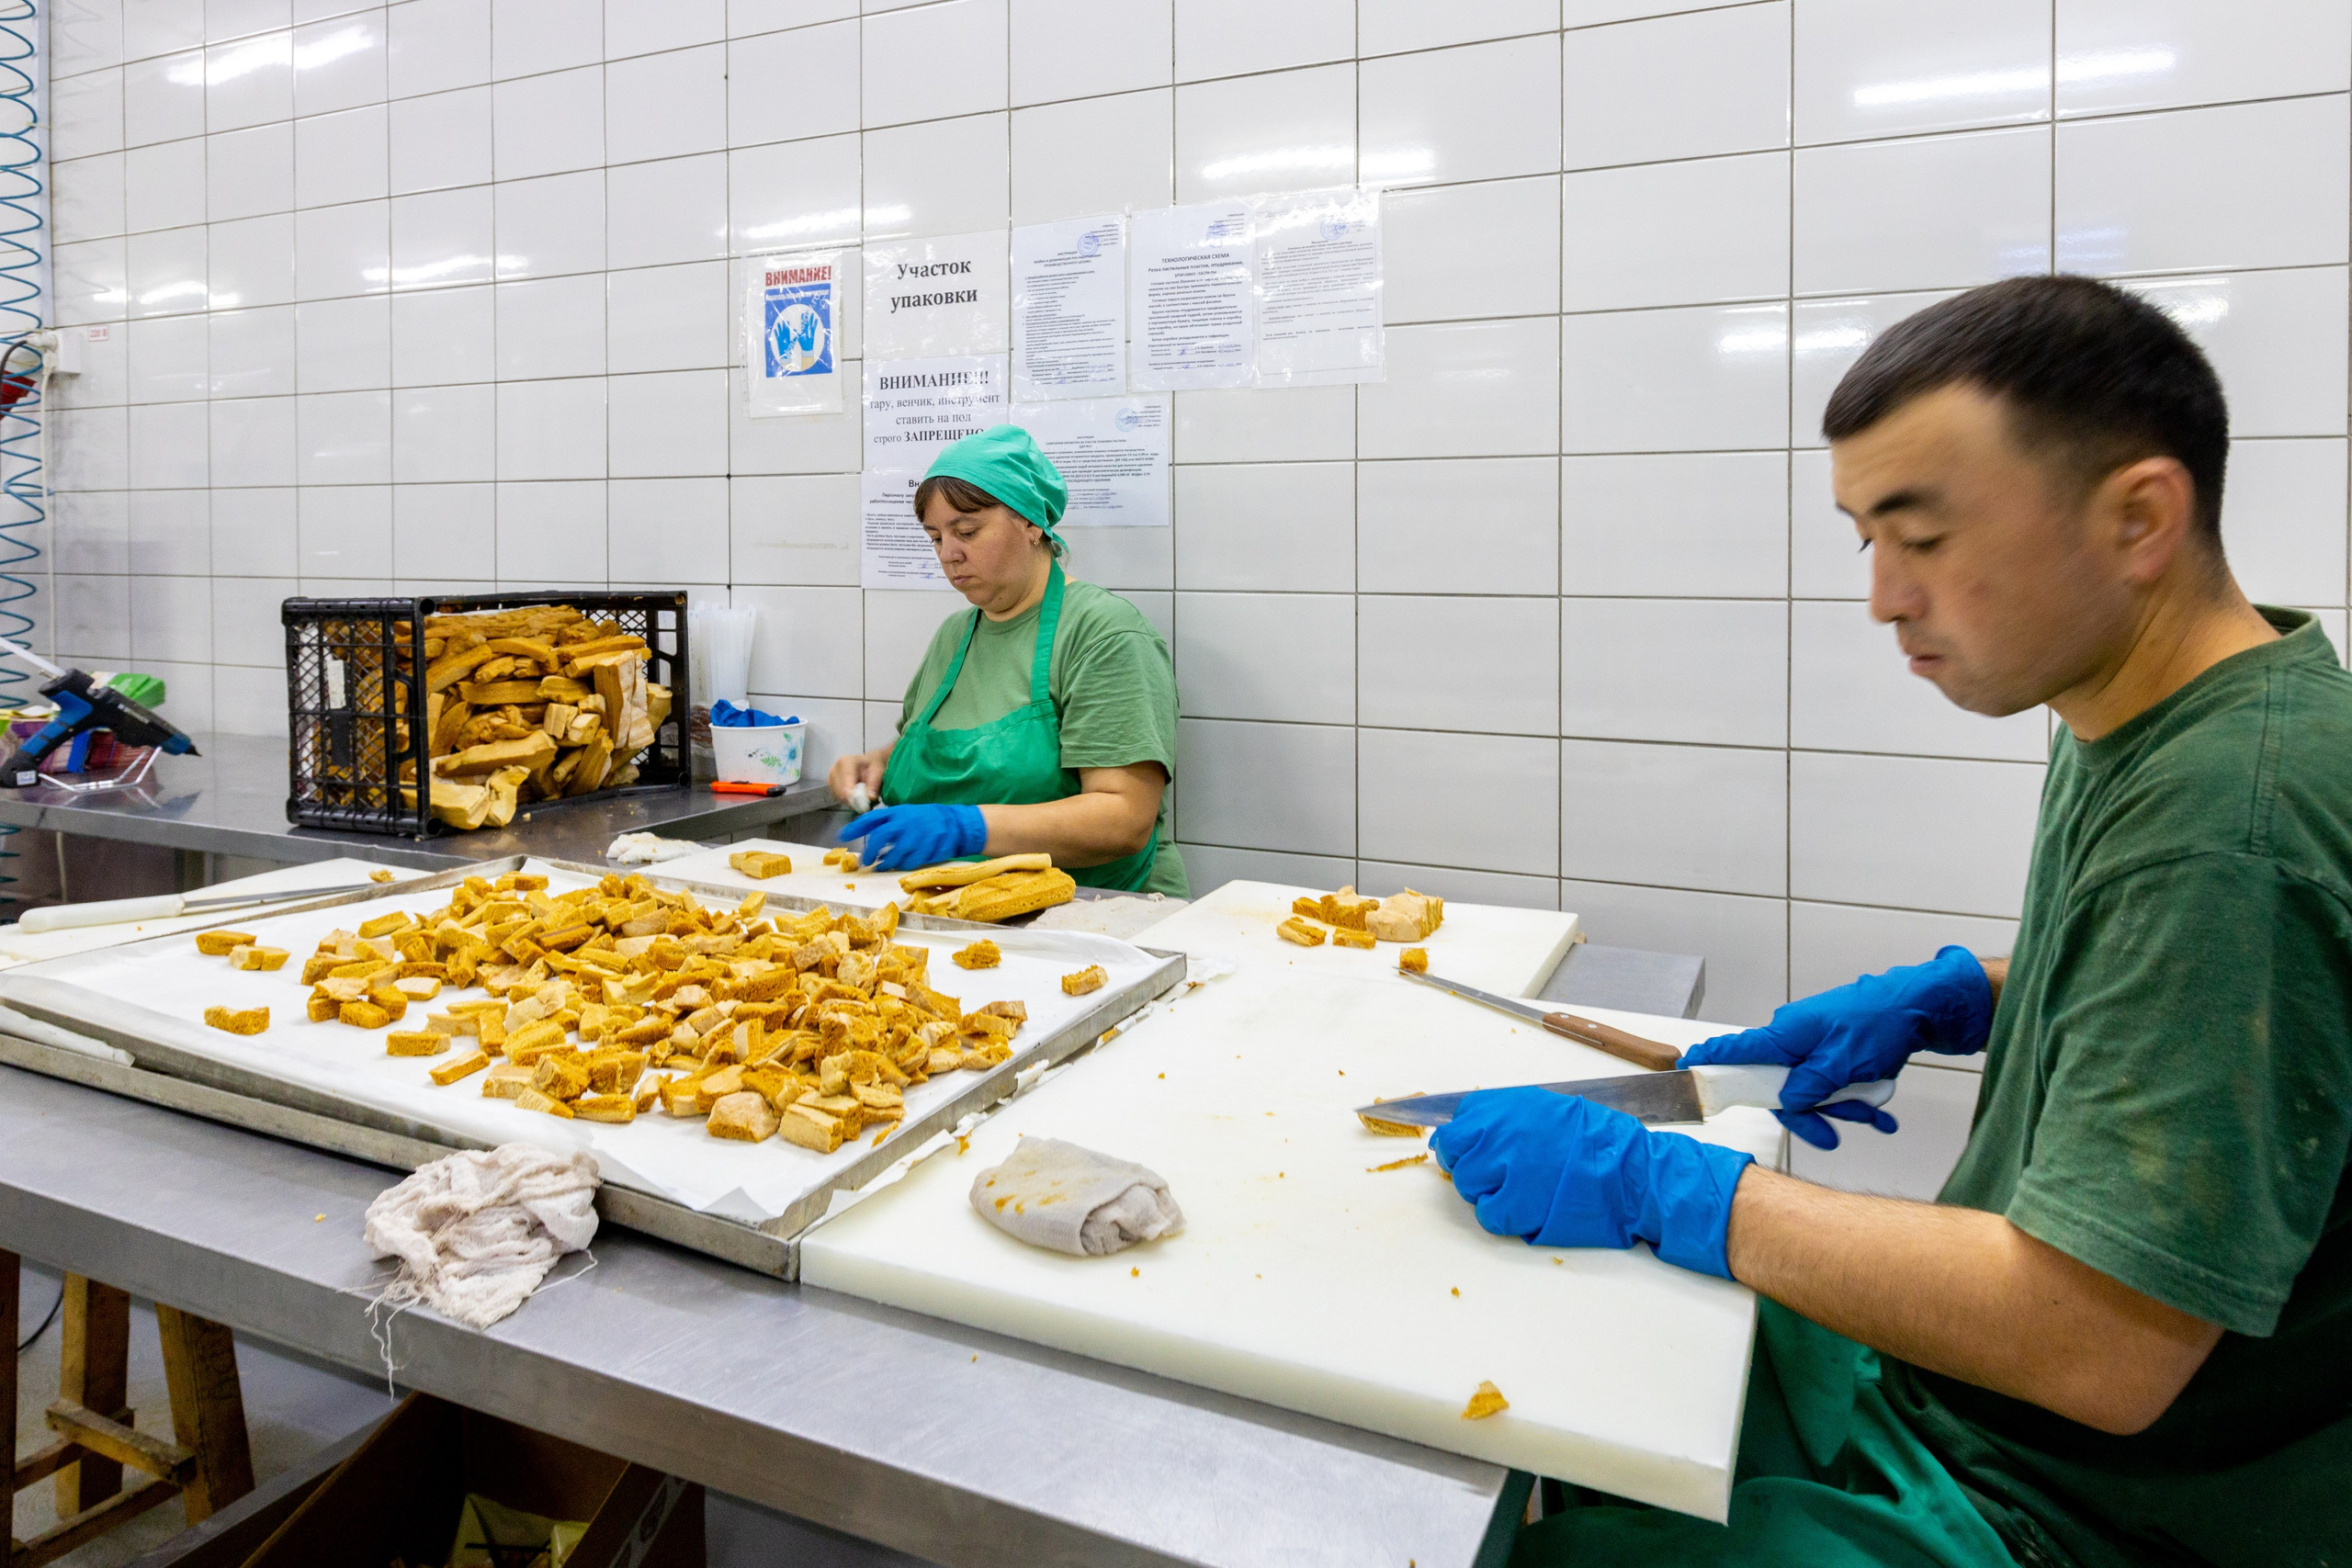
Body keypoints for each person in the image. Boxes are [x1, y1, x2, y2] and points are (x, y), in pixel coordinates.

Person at [1437, 276, 2349, 1567]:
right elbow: (2203, 990)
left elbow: (2104, 1344)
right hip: (1990, 1416)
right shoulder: (2165, 706)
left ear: (2140, 515)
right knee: (1605, 1393)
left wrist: (1665, 1184)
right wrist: (1976, 987)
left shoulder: (2230, 825)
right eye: (1865, 536)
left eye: (1922, 537)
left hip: (2088, 1505)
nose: (1882, 597)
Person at [826, 425, 1188, 897]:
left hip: (1100, 914)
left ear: (1031, 522)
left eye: (968, 531)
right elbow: (948, 744)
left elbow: (1124, 819)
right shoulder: (955, 636)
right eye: (935, 537)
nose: (949, 554)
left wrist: (966, 827)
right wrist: (876, 764)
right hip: (966, 909)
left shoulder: (1104, 634)